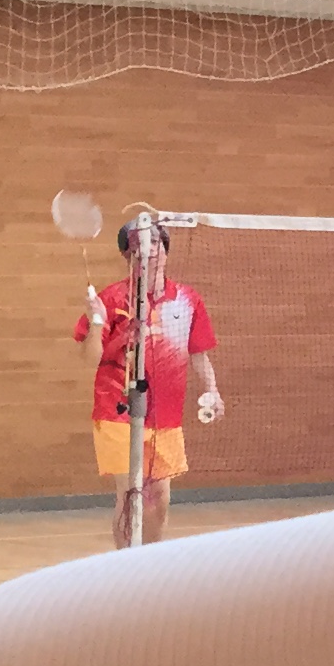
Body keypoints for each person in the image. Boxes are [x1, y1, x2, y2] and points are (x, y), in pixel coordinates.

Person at [74, 216, 223, 549]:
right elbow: (90, 359)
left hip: (165, 415)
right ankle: (127, 567)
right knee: (132, 494)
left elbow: (197, 352)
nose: (147, 250)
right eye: (138, 244)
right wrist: (96, 321)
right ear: (128, 255)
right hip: (118, 408)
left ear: (165, 250)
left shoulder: (187, 299)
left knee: (160, 497)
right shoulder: (111, 299)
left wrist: (212, 389)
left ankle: (150, 564)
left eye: (154, 242)